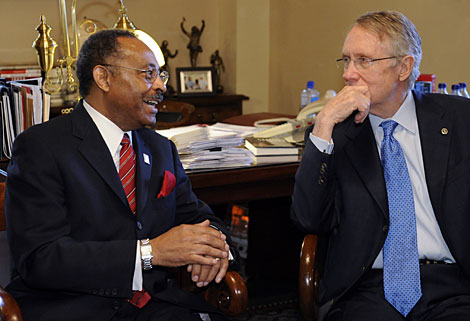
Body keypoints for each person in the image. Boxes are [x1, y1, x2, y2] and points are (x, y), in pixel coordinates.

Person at [5, 29, 238, 321]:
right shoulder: (41, 147)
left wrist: (213, 247)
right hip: (74, 307)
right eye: (147, 74)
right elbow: (41, 259)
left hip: (156, 306)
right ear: (103, 78)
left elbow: (202, 219)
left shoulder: (161, 148)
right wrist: (150, 252)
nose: (160, 86)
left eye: (160, 76)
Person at [291, 11, 470, 321]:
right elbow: (308, 219)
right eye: (346, 60)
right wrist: (322, 127)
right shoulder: (337, 134)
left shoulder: (460, 121)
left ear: (404, 67)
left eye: (363, 60)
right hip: (368, 290)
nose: (348, 74)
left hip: (455, 286)